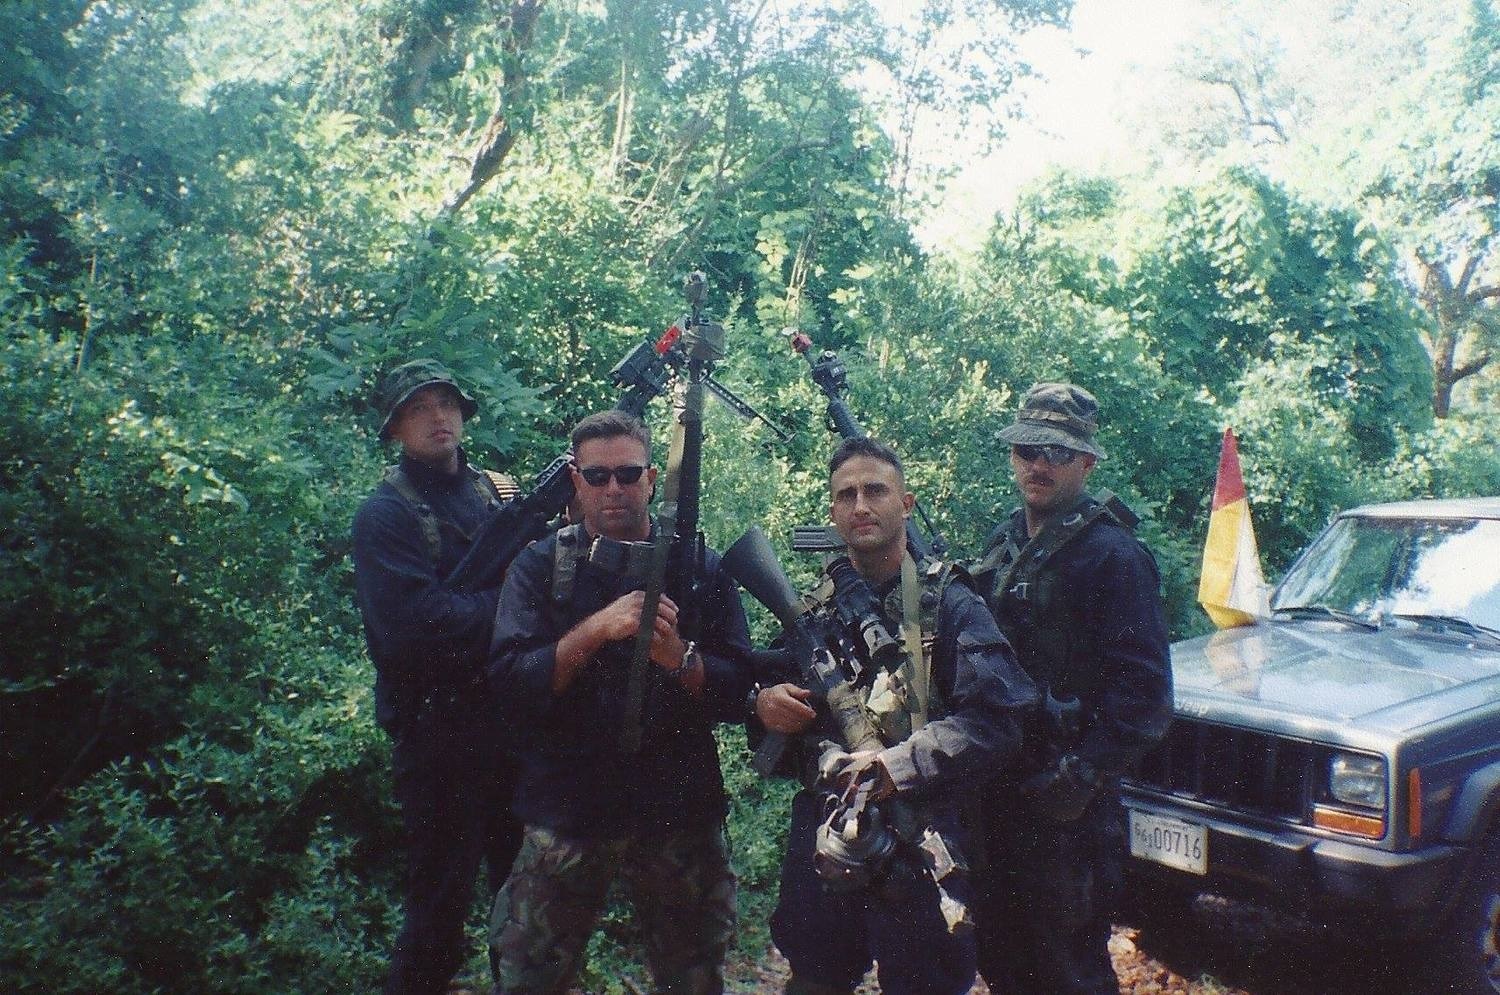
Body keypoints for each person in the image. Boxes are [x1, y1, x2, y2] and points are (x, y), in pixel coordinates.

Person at [754, 436, 1039, 995]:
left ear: (905, 504)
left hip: (921, 836)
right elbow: (775, 714)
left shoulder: (951, 604)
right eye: (846, 495)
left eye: (875, 491)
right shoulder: (814, 612)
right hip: (831, 831)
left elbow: (999, 722)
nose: (861, 505)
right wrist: (768, 710)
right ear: (833, 514)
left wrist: (895, 766)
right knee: (814, 979)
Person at [486, 410, 752, 995]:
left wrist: (681, 659)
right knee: (528, 976)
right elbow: (510, 685)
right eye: (597, 475)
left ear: (653, 479)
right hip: (567, 806)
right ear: (575, 482)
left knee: (693, 978)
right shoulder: (539, 568)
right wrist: (593, 631)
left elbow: (738, 691)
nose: (613, 489)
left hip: (676, 807)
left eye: (628, 475)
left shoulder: (697, 568)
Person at [969, 383, 1173, 995]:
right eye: (1028, 449)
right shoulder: (1006, 543)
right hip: (998, 790)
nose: (1038, 464)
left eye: (1056, 453)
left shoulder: (1113, 556)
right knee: (1003, 958)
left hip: (1067, 807)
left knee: (1067, 971)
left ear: (1086, 462)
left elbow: (1146, 698)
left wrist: (1082, 778)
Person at [352, 359, 524, 995]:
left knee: (528, 902)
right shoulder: (385, 516)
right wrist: (508, 604)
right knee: (438, 909)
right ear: (395, 427)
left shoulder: (494, 494)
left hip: (508, 722)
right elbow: (413, 629)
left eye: (446, 403)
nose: (437, 417)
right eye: (419, 407)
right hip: (437, 738)